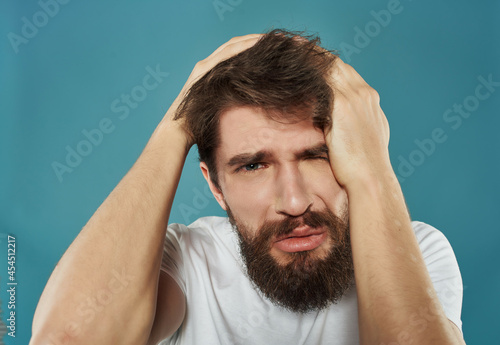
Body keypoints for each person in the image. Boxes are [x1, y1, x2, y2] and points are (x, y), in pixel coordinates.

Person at [29, 29, 465, 345]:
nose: (294, 202)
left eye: (316, 156)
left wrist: (373, 173)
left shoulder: (420, 254)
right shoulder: (186, 260)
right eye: (253, 165)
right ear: (214, 185)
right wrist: (175, 128)